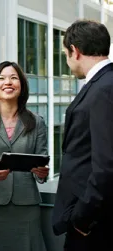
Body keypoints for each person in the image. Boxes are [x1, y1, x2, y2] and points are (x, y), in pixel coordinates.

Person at [0, 61, 49, 251]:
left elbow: (42, 160)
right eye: (1, 78)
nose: (8, 82)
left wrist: (42, 172)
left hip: (26, 205)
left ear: (21, 85)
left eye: (14, 78)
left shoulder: (37, 122)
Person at [52, 20, 113, 251]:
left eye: (66, 54)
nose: (67, 62)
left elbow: (107, 164)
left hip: (96, 225)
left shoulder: (104, 89)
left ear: (75, 51)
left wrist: (82, 218)